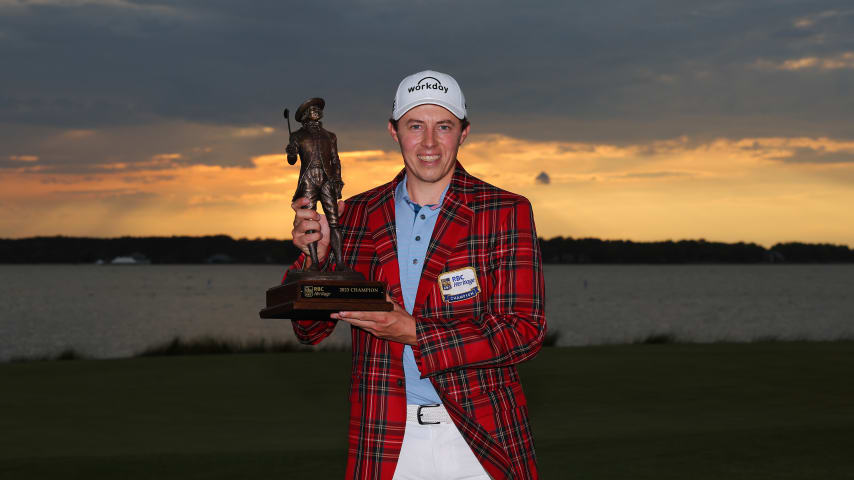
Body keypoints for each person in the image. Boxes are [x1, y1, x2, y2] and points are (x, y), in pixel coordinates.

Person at [286, 70, 545, 480]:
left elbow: (523, 331)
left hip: (480, 439)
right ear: (394, 132)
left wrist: (414, 332)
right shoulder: (354, 215)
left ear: (463, 133)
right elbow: (308, 332)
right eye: (415, 126)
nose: (428, 143)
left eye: (443, 126)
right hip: (386, 440)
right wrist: (312, 260)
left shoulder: (505, 211)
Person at [285, 97, 346, 271]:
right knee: (309, 220)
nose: (316, 112)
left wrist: (337, 180)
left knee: (334, 222)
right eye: (312, 109)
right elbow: (292, 160)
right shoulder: (297, 136)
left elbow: (335, 160)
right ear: (304, 115)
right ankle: (315, 263)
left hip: (327, 180)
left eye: (318, 109)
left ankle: (340, 263)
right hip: (308, 181)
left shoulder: (330, 136)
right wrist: (290, 152)